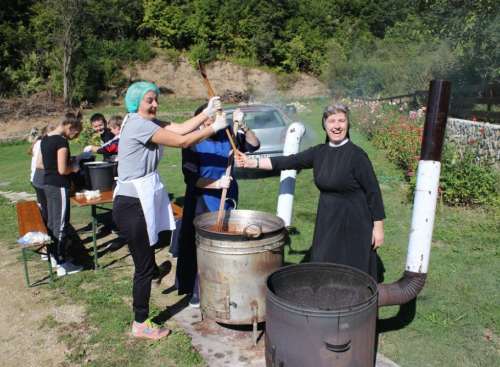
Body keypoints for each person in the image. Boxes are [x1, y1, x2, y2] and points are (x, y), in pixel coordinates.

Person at [112, 81, 228, 339]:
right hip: (132, 204)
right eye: (148, 100)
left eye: (155, 99)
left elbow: (182, 127)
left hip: (142, 199)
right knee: (141, 266)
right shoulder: (139, 125)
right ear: (135, 104)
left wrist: (206, 113)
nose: (154, 104)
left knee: (152, 247)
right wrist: (213, 127)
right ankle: (140, 323)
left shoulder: (147, 122)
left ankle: (154, 272)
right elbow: (184, 140)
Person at [235, 103, 385, 281]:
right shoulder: (319, 153)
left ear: (347, 124)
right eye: (332, 121)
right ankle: (328, 298)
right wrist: (252, 162)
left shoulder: (357, 155)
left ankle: (356, 302)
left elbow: (373, 191)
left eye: (341, 121)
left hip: (355, 218)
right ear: (325, 125)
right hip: (328, 216)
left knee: (353, 267)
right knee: (324, 261)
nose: (337, 126)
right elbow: (288, 161)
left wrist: (378, 228)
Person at [176, 106, 260, 308]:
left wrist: (245, 125)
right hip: (202, 198)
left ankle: (226, 283)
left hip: (228, 195)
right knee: (203, 245)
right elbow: (190, 178)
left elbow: (253, 145)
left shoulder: (228, 135)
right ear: (201, 120)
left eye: (217, 116)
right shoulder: (192, 141)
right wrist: (216, 184)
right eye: (210, 117)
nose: (214, 120)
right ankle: (197, 289)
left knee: (227, 242)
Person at [37, 110, 85, 276]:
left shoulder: (46, 138)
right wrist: (75, 167)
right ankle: (62, 264)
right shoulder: (61, 142)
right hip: (59, 186)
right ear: (69, 127)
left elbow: (47, 164)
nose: (75, 137)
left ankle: (54, 256)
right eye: (75, 133)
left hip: (48, 184)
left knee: (52, 223)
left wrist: (72, 160)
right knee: (61, 225)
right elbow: (62, 169)